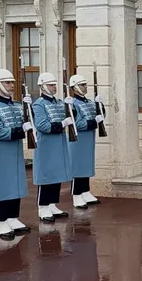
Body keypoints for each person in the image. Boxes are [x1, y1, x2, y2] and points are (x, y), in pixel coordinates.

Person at [0, 69, 32, 240]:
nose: (11, 86)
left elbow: (29, 123)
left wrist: (29, 108)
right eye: (7, 83)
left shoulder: (18, 105)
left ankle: (12, 216)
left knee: (15, 182)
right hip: (1, 149)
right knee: (1, 184)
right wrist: (21, 130)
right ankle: (0, 220)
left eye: (12, 82)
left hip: (15, 148)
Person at [31, 72, 72, 222]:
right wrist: (61, 124)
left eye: (54, 85)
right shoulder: (39, 104)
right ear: (42, 86)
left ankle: (52, 204)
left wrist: (70, 107)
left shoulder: (58, 102)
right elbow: (42, 125)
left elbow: (69, 117)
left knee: (56, 174)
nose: (54, 87)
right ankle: (43, 207)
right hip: (46, 143)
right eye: (50, 85)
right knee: (46, 175)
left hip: (58, 142)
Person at [66, 73, 103, 208]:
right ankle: (76, 194)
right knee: (78, 166)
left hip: (87, 138)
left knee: (86, 164)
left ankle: (85, 191)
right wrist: (94, 123)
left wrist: (100, 105)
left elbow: (99, 115)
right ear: (75, 88)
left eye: (85, 84)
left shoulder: (88, 102)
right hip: (78, 139)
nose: (85, 87)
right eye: (82, 85)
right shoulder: (73, 103)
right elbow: (77, 123)